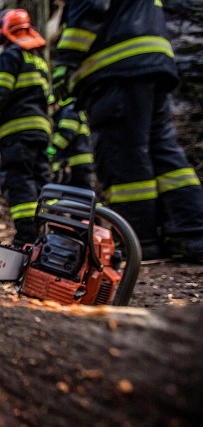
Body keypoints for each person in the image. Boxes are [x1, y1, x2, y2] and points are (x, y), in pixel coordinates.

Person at [52, 0, 203, 262]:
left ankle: (138, 242)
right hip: (151, 63)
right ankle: (190, 235)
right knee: (163, 152)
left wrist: (65, 63)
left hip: (116, 70)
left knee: (123, 157)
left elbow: (91, 8)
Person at [0, 9, 51, 247]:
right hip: (40, 132)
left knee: (19, 183)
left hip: (16, 134)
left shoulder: (10, 57)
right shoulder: (38, 60)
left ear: (4, 31)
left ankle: (27, 238)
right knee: (42, 184)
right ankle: (48, 235)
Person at [47, 97, 94, 189]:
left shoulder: (69, 111)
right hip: (75, 165)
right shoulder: (67, 112)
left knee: (79, 197)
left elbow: (64, 136)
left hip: (77, 165)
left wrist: (49, 153)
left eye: (52, 105)